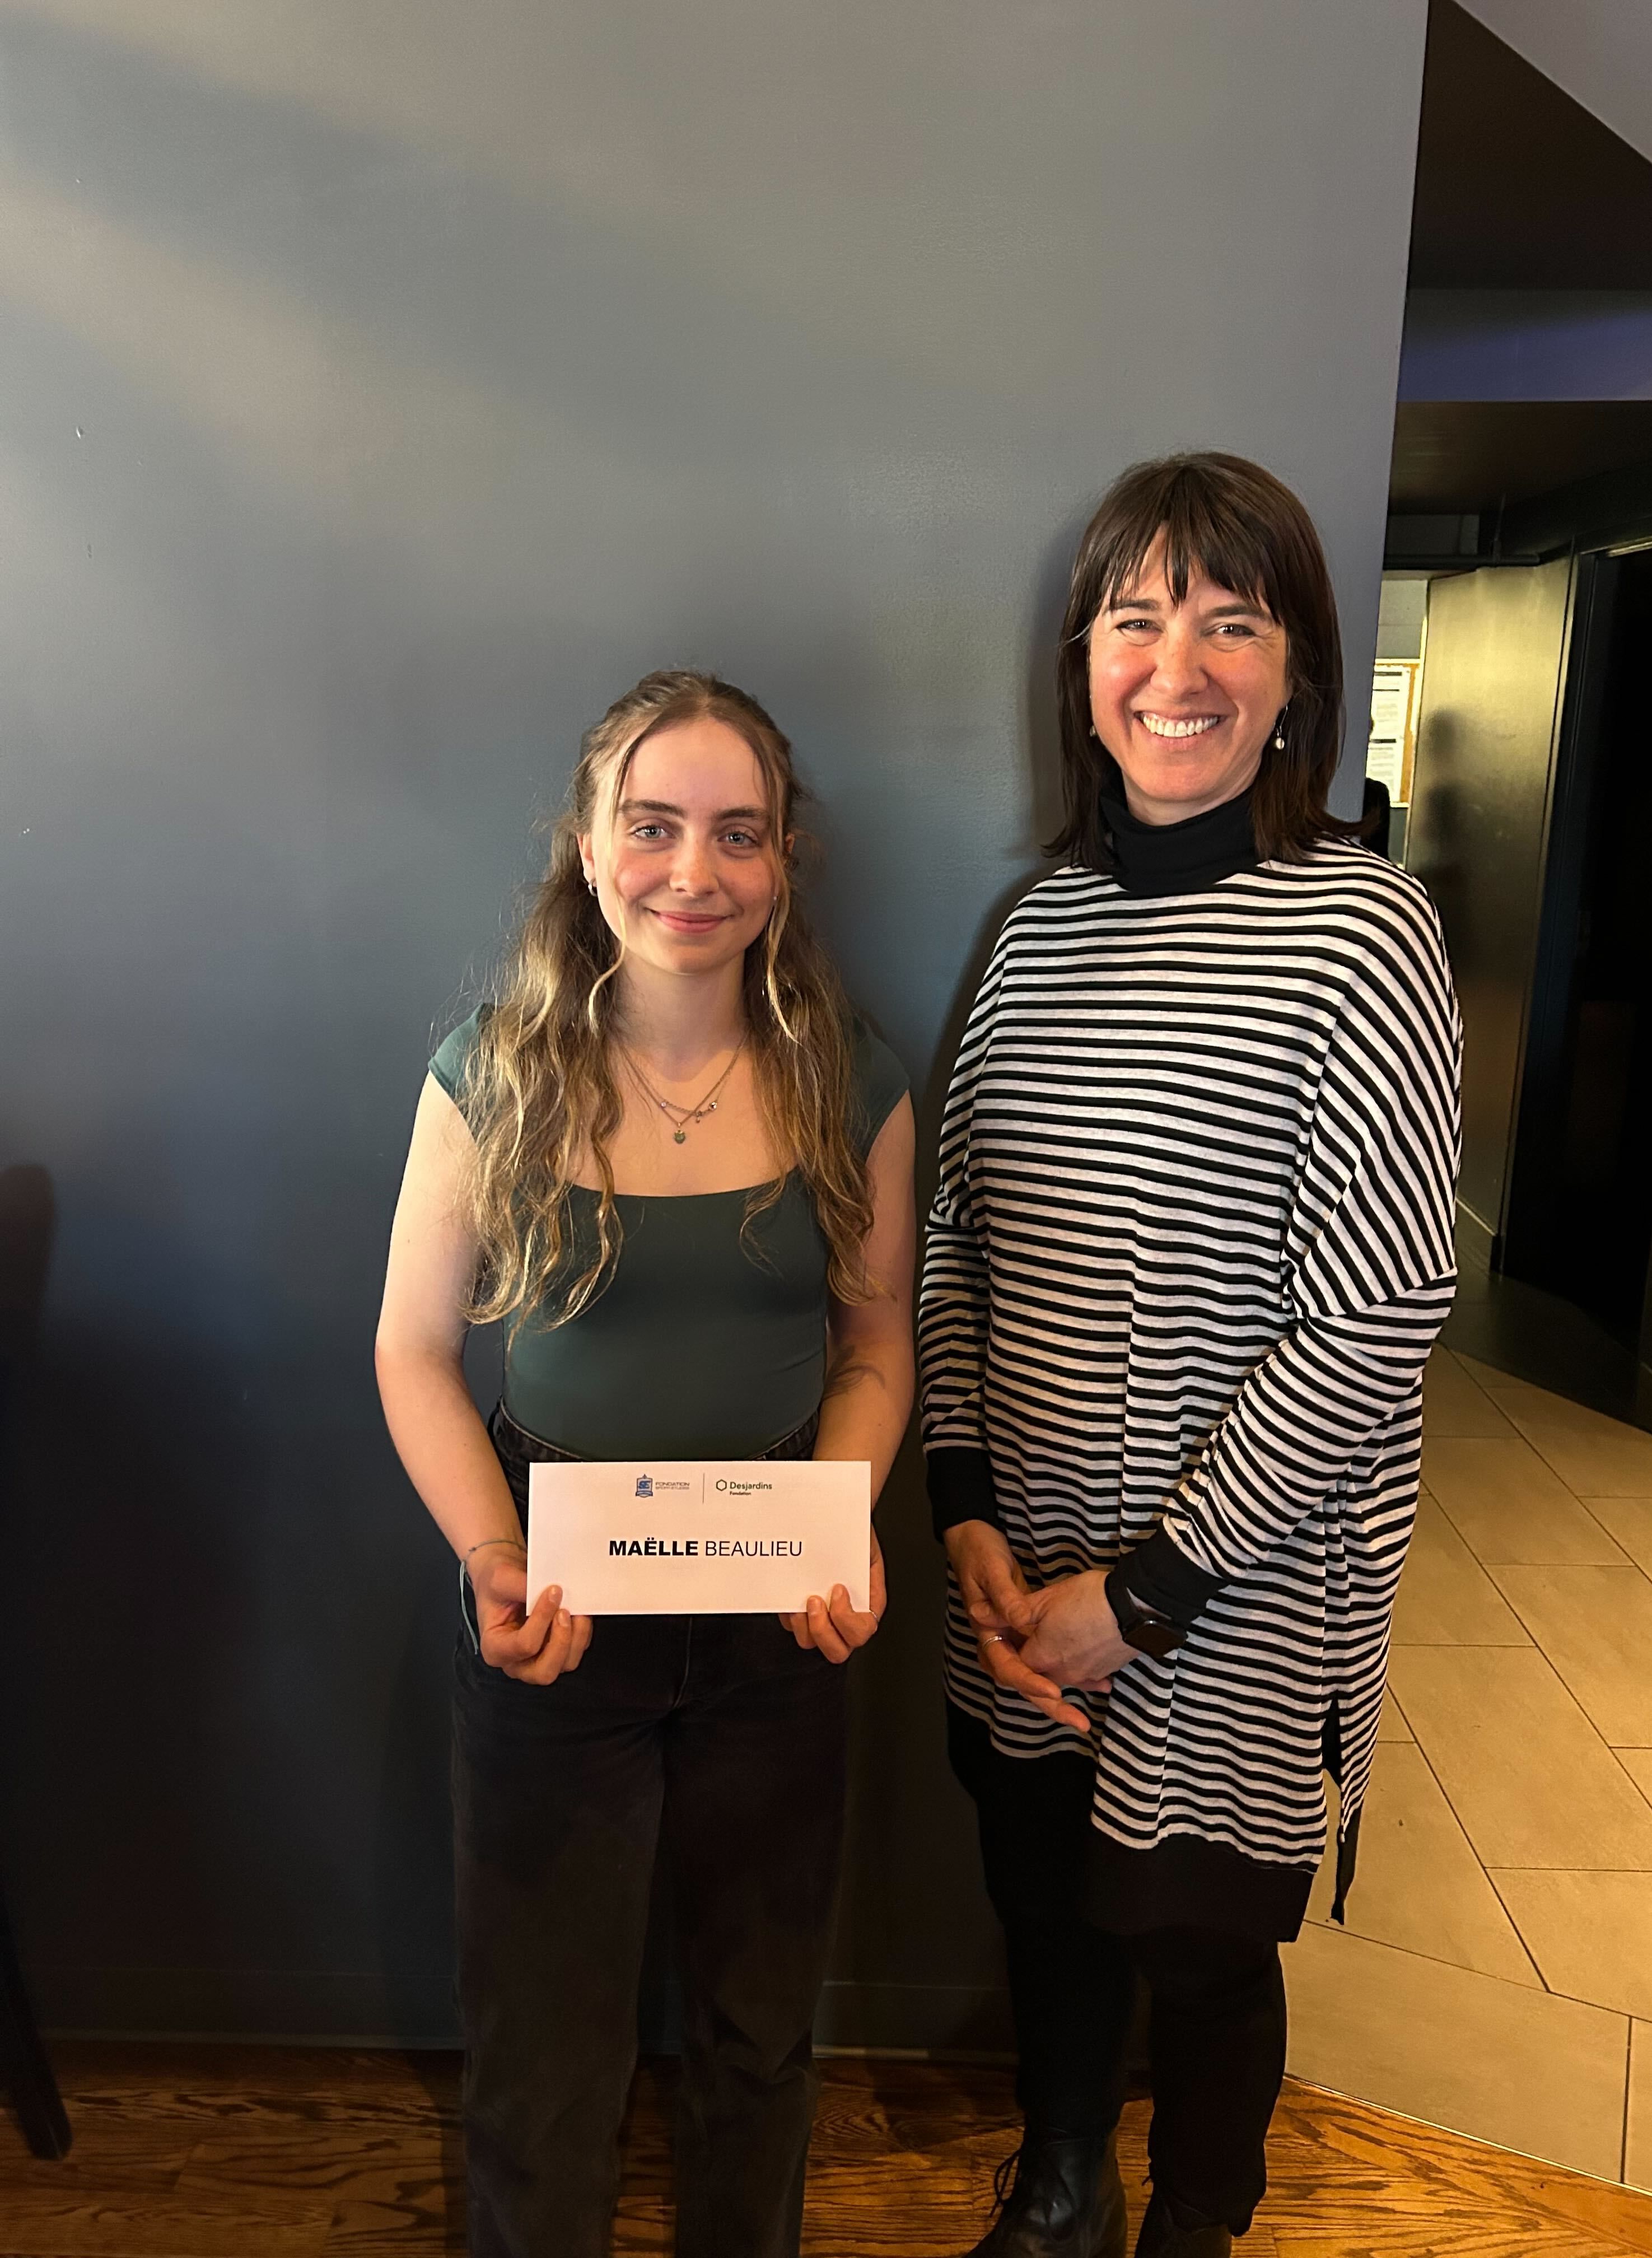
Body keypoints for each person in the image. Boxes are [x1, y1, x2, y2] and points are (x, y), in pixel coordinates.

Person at [920, 455, 1461, 2258]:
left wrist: (1142, 1595)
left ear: (1297, 671)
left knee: (1202, 1947)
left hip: (1227, 1599)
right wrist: (970, 1513)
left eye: (1233, 621)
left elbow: (1372, 1320)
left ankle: (1191, 2228)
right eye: (1139, 618)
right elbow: (954, 1245)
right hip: (1020, 1581)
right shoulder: (1031, 930)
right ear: (1084, 663)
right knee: (1049, 1905)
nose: (1181, 664)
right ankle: (1061, 2188)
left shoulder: (1366, 929)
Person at [375, 670, 916, 2258]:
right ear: (591, 844)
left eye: (738, 834)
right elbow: (411, 1350)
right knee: (546, 2054)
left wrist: (844, 1527)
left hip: (781, 1597)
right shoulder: (493, 1069)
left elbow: (877, 1340)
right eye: (657, 826)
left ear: (784, 858)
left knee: (758, 2037)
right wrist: (491, 1556)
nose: (696, 872)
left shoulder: (853, 1076)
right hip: (553, 1593)